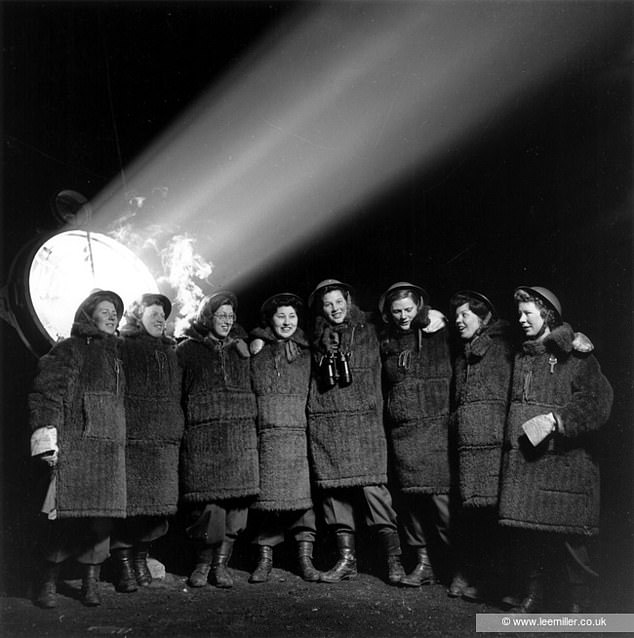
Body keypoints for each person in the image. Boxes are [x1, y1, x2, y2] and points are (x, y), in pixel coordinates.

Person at [498, 286, 613, 613]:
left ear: (547, 314)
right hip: (528, 463)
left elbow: (598, 402)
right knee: (530, 534)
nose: (520, 320)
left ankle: (581, 603)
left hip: (566, 464)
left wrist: (556, 420)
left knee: (572, 542)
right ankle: (534, 596)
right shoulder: (523, 354)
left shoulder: (577, 354)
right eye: (518, 313)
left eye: (527, 313)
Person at [29, 289, 126, 608]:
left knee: (101, 522)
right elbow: (48, 394)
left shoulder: (121, 354)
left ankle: (90, 584)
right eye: (105, 310)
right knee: (61, 518)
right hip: (75, 445)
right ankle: (48, 583)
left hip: (110, 450)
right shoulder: (69, 349)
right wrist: (47, 438)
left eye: (116, 312)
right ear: (88, 315)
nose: (112, 316)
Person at [306, 278, 404, 585]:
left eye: (339, 302)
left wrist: (431, 318)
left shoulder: (373, 328)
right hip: (328, 424)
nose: (334, 309)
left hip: (364, 424)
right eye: (327, 304)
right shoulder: (314, 336)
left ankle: (394, 562)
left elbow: (404, 328)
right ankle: (346, 560)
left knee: (375, 493)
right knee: (335, 495)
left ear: (349, 300)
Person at [177, 291, 259, 589]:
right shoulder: (186, 351)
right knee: (207, 508)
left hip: (239, 438)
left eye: (230, 316)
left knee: (237, 509)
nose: (227, 320)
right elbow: (178, 395)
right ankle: (203, 564)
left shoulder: (243, 350)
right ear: (206, 318)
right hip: (204, 439)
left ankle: (221, 565)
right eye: (220, 315)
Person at [378, 282, 453, 589]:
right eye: (396, 311)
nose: (403, 316)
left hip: (436, 430)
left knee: (442, 504)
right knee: (410, 504)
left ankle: (458, 567)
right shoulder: (387, 340)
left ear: (420, 304)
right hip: (404, 433)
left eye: (409, 309)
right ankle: (424, 564)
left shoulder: (440, 330)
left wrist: (442, 318)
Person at [111, 293, 184, 593]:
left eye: (162, 315)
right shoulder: (123, 347)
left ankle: (142, 558)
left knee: (158, 509)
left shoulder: (172, 351)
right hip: (135, 440)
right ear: (138, 317)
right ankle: (126, 565)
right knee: (131, 507)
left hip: (164, 442)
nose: (159, 319)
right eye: (152, 313)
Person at [247, 293, 320, 583]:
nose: (287, 322)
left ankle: (305, 560)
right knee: (267, 502)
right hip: (267, 436)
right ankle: (264, 560)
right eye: (281, 316)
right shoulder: (257, 350)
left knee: (303, 502)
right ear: (270, 320)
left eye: (292, 316)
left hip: (298, 436)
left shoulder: (307, 352)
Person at [448, 290, 513, 601]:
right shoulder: (463, 351)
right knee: (469, 514)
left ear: (484, 316)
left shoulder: (504, 346)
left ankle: (492, 579)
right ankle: (468, 571)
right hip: (466, 443)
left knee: (492, 515)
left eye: (465, 315)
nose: (458, 321)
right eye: (456, 316)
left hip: (494, 442)